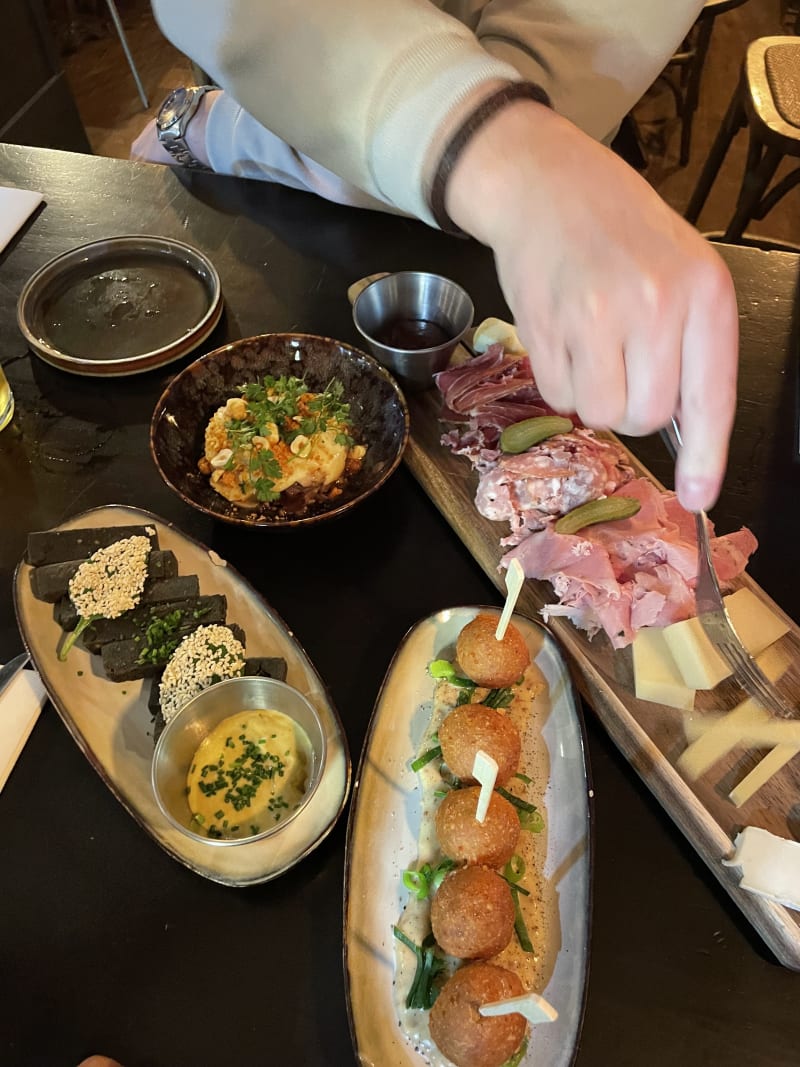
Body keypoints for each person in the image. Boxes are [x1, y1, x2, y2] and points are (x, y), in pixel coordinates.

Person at [134, 0, 738, 514]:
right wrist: (217, 126)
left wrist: (219, 129)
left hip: (545, 207)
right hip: (265, 127)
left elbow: (568, 61)